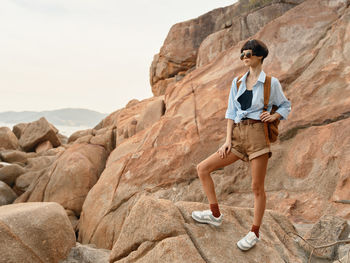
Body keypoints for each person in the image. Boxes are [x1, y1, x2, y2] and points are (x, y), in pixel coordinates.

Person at [191, 39, 291, 251]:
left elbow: (285, 105)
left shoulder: (270, 83)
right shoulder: (237, 82)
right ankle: (215, 214)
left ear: (260, 56)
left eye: (248, 54)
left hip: (257, 136)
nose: (244, 58)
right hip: (237, 135)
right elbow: (231, 113)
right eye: (242, 55)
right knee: (203, 168)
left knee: (256, 187)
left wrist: (273, 117)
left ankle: (254, 232)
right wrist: (227, 140)